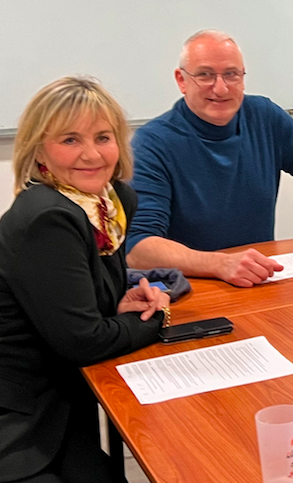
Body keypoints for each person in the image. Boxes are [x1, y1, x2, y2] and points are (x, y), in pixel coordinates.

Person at [0, 77, 169, 482]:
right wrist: (155, 318)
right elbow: (83, 340)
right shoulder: (49, 218)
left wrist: (119, 307)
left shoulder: (108, 205)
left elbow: (85, 308)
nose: (92, 154)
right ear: (40, 149)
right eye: (70, 139)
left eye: (104, 137)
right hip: (22, 424)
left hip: (66, 404)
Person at [127, 30, 293, 287]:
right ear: (181, 80)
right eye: (205, 74)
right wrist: (220, 264)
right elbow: (138, 249)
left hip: (257, 283)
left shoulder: (265, 117)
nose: (220, 87)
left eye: (231, 74)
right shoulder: (151, 144)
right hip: (194, 289)